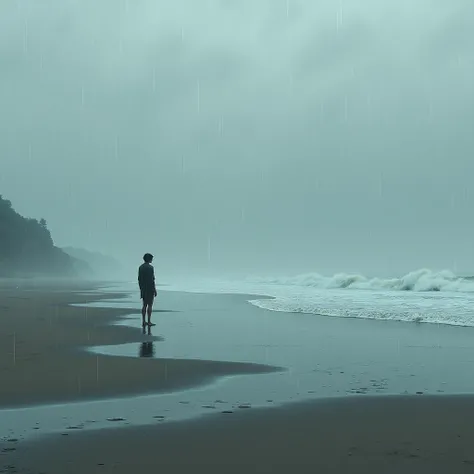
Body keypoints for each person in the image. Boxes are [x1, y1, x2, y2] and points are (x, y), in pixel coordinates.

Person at [138, 253, 157, 327]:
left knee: (144, 305)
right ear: (149, 259)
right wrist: (154, 289)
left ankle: (143, 321)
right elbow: (152, 279)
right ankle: (149, 321)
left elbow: (139, 279)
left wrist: (141, 288)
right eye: (151, 258)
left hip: (143, 288)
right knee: (150, 305)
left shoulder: (141, 267)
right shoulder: (150, 268)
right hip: (149, 288)